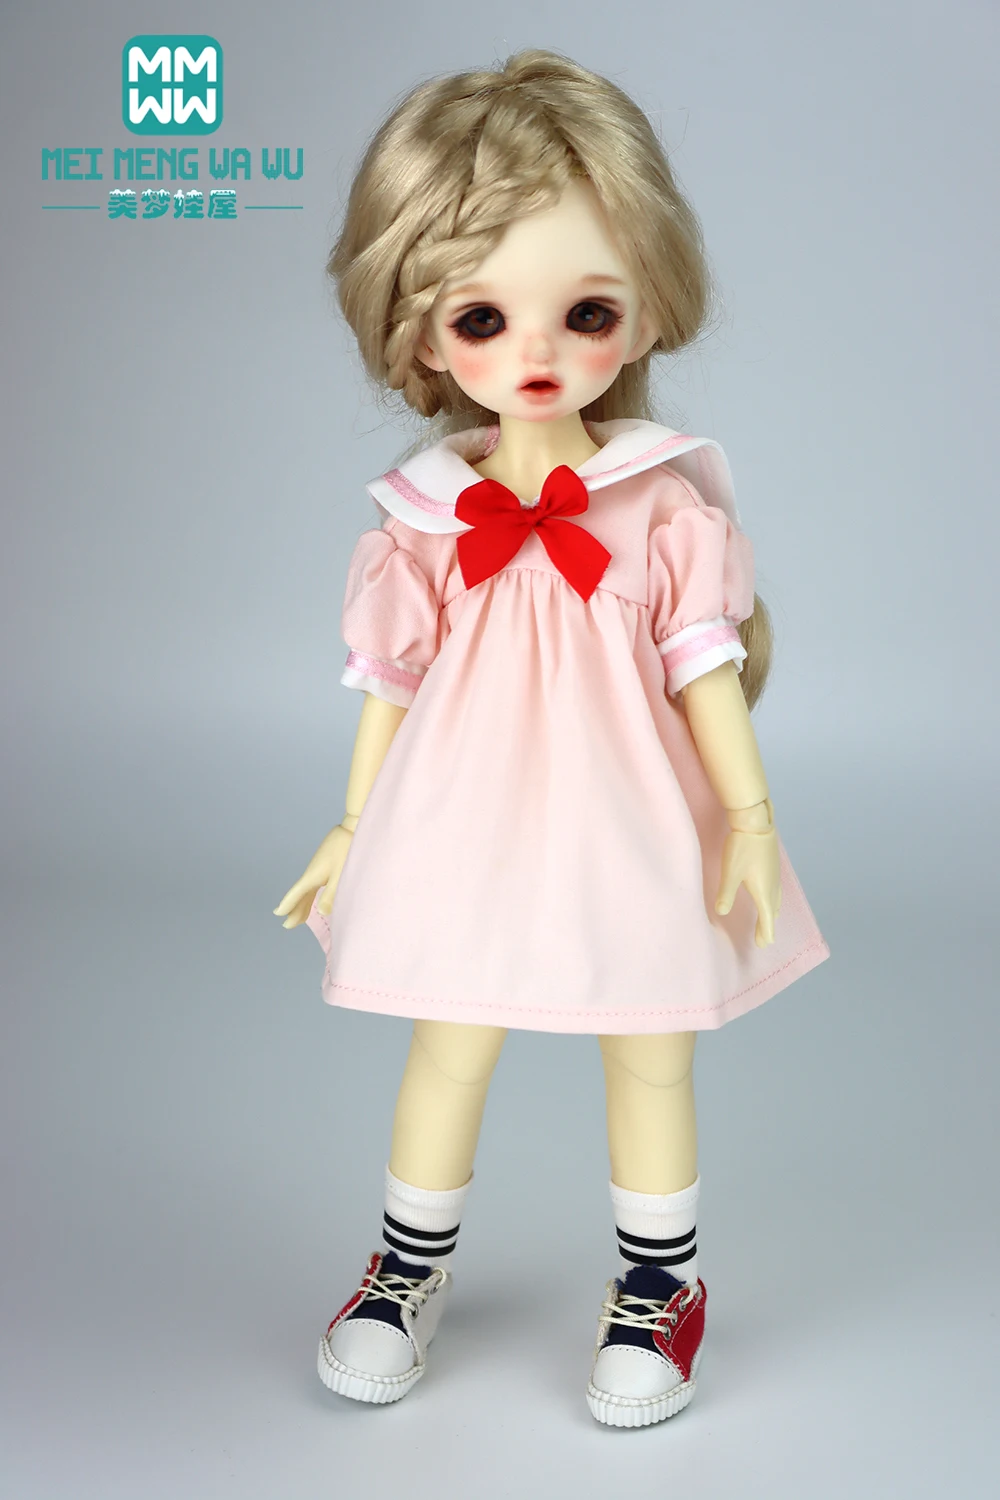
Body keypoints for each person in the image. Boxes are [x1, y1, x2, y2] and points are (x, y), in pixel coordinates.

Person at [274, 50, 829, 1428]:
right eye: (482, 317)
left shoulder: (661, 510)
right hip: (464, 818)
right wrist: (352, 824)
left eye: (586, 312)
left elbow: (702, 669)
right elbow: (390, 682)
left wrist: (750, 816)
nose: (537, 353)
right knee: (450, 1038)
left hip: (626, 815)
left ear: (644, 310)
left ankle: (661, 1282)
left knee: (648, 1039)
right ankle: (409, 1263)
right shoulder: (423, 517)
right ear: (421, 336)